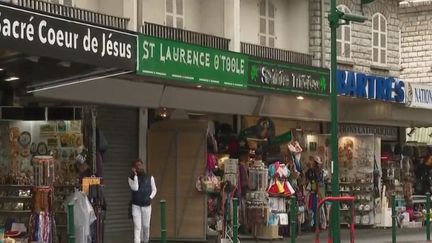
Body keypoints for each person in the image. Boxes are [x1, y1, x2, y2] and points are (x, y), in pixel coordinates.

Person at [128, 159, 157, 243]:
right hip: (136, 206)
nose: (139, 167)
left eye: (140, 165)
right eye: (137, 166)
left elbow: (154, 190)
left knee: (146, 226)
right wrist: (135, 176)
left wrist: (150, 197)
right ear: (134, 168)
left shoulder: (150, 177)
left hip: (147, 205)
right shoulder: (131, 178)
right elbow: (135, 188)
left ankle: (146, 240)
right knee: (137, 227)